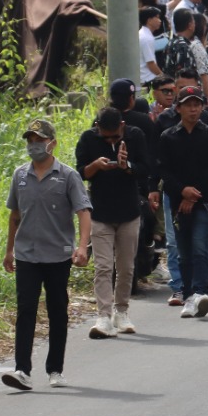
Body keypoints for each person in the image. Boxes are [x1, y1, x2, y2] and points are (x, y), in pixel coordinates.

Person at [2, 118, 92, 390]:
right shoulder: (20, 176)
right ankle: (22, 370)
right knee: (26, 310)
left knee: (57, 311)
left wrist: (82, 246)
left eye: (39, 140)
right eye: (30, 141)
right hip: (27, 254)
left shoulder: (67, 176)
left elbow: (83, 212)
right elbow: (15, 216)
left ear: (52, 143)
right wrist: (9, 251)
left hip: (58, 255)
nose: (34, 146)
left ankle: (55, 369)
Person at [76, 107, 150, 339]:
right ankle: (103, 316)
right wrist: (96, 166)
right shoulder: (88, 139)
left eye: (114, 136)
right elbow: (79, 173)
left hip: (129, 211)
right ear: (97, 127)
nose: (110, 140)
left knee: (127, 267)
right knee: (103, 266)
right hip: (99, 212)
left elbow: (146, 169)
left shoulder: (135, 136)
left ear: (122, 126)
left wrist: (127, 166)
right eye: (105, 136)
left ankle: (122, 311)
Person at [152, 86, 208, 318]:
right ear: (179, 108)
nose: (193, 109)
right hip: (177, 201)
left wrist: (195, 195)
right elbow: (164, 169)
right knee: (182, 250)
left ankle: (201, 292)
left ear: (202, 107)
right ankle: (187, 294)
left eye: (197, 104)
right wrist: (182, 191)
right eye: (188, 104)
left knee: (201, 247)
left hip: (203, 201)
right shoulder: (168, 136)